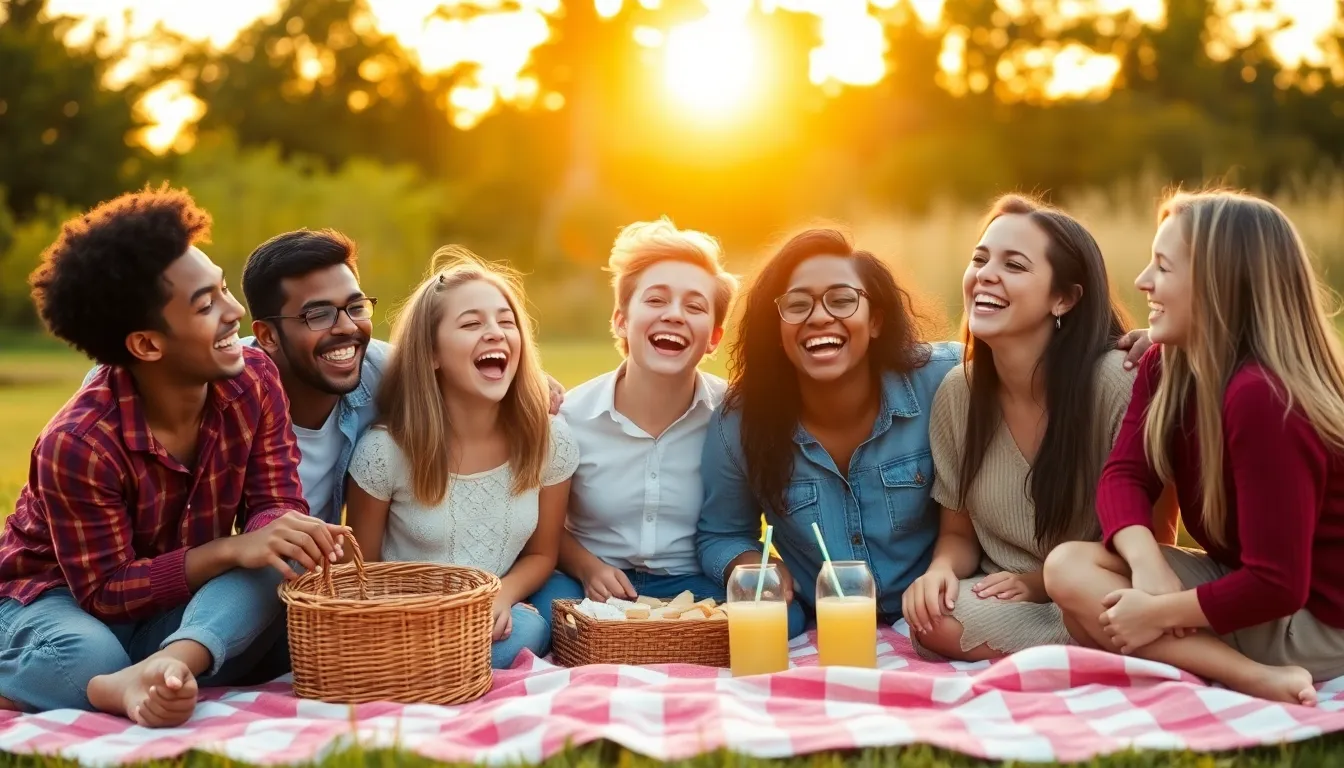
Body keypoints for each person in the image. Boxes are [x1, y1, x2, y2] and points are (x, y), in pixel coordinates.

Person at [0, 187, 344, 726]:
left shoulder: (254, 381)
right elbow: (106, 591)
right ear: (146, 345)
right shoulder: (79, 443)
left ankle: (168, 666)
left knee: (283, 560)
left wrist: (278, 532)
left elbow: (275, 501)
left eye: (223, 289)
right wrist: (231, 550)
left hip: (178, 610)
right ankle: (110, 681)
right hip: (56, 600)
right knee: (90, 656)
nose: (235, 312)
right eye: (206, 305)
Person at [1045, 190, 1344, 706]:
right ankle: (1249, 672)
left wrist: (1157, 613)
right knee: (1068, 569)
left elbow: (1278, 584)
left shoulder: (1263, 397)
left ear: (1218, 285)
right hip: (1248, 586)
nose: (1143, 281)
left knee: (1100, 614)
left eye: (1163, 267)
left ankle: (1254, 676)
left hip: (1316, 619)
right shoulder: (1169, 363)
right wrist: (1148, 567)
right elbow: (1124, 476)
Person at [902, 195, 1174, 662]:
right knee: (932, 620)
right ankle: (1098, 654)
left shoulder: (1119, 383)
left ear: (1063, 298)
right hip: (1006, 602)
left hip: (1105, 590)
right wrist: (941, 571)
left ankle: (1098, 646)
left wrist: (1040, 582)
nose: (986, 275)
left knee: (1108, 607)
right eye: (980, 260)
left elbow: (1160, 539)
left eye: (1014, 265)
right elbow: (958, 535)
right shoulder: (957, 392)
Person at [696, 228, 960, 637]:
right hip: (825, 624)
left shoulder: (943, 381)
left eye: (841, 300)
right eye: (797, 305)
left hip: (942, 614)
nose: (819, 317)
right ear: (777, 330)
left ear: (875, 320)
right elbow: (721, 534)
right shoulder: (738, 422)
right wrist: (754, 565)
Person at [344, 247, 578, 668]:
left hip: (497, 605)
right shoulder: (384, 452)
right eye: (471, 323)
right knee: (527, 630)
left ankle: (444, 671)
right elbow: (361, 573)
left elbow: (543, 554)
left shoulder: (549, 439)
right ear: (432, 354)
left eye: (506, 321)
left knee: (538, 620)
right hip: (407, 617)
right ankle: (430, 669)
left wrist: (502, 595)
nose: (495, 333)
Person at [529, 218, 738, 618]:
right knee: (545, 609)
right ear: (621, 320)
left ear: (714, 336)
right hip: (591, 576)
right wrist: (587, 567)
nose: (674, 315)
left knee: (781, 612)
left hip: (695, 581)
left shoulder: (732, 417)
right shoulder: (572, 417)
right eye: (656, 300)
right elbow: (543, 530)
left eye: (695, 306)